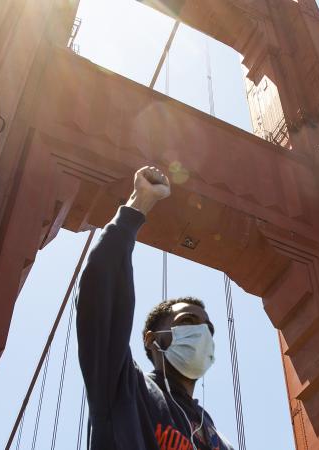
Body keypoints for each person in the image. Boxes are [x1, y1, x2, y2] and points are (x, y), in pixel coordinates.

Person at [77, 166, 234, 450]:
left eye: (208, 329)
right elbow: (99, 294)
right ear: (152, 340)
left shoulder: (219, 440)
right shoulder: (123, 387)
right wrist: (139, 203)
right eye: (187, 322)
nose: (202, 334)